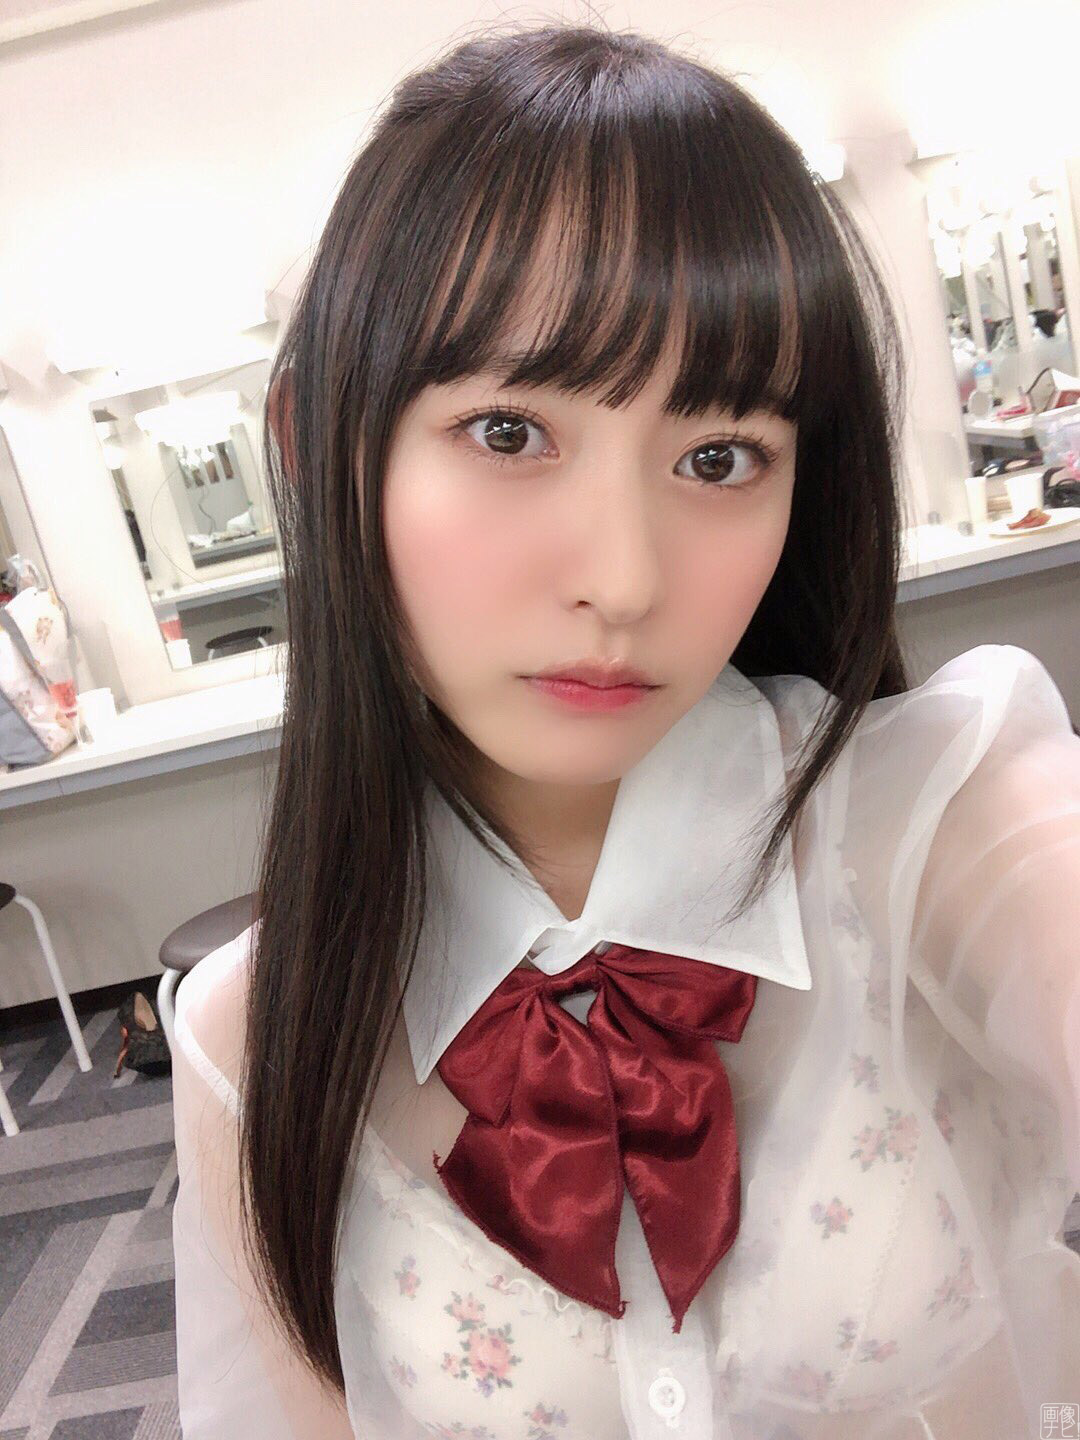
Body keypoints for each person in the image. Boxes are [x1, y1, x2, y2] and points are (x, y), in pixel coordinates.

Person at [170, 20, 1080, 1440]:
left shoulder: (935, 825)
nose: (627, 578)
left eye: (719, 456)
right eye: (509, 433)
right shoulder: (254, 1033)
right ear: (314, 446)